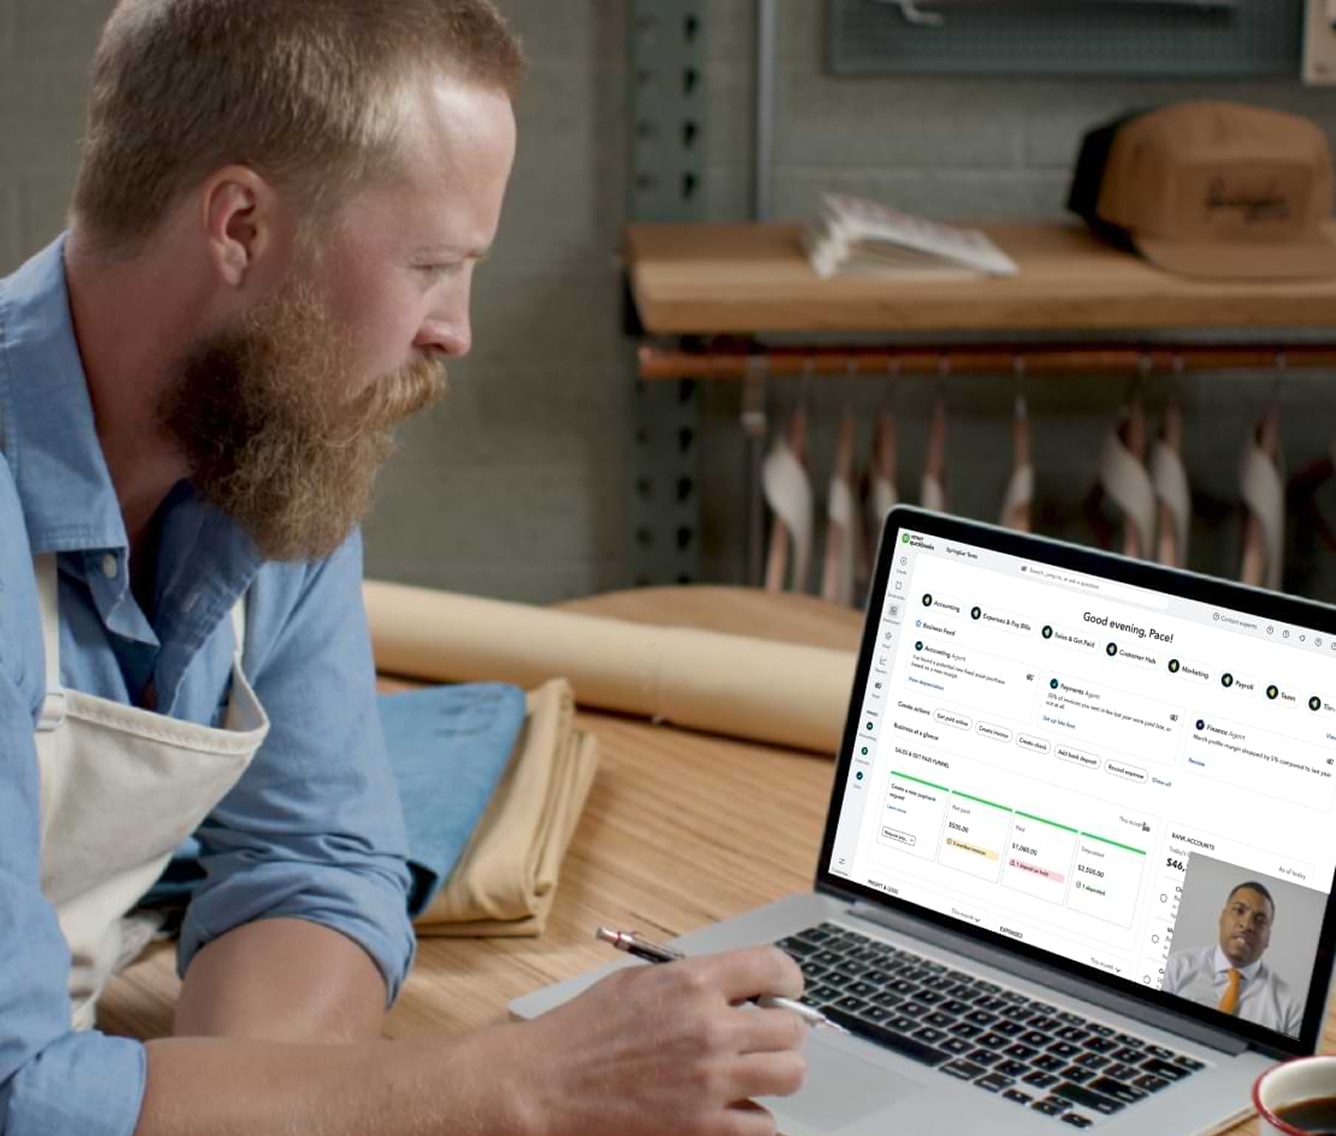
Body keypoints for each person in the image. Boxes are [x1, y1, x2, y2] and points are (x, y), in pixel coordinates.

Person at [0, 2, 808, 1134]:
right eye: (431, 265)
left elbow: (311, 860)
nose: (455, 331)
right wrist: (521, 1083)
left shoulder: (264, 442)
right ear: (240, 226)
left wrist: (262, 1111)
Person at [1162, 880, 1303, 1036]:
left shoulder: (1290, 1008)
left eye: (1260, 920)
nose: (1247, 925)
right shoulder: (1176, 967)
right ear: (1222, 918)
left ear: (1268, 937)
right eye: (1239, 910)